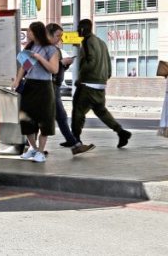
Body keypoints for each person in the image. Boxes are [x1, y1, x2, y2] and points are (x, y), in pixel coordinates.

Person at [72, 18, 131, 149]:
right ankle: (121, 132)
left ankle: (75, 139)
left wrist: (80, 78)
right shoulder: (102, 43)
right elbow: (109, 67)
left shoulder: (87, 41)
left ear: (82, 29)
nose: (77, 31)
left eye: (78, 29)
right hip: (100, 84)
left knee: (78, 110)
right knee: (101, 111)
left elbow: (90, 62)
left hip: (88, 84)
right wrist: (104, 78)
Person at [11, 21, 60, 163]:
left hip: (44, 87)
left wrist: (39, 58)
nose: (27, 34)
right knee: (25, 119)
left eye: (30, 31)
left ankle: (41, 152)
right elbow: (25, 67)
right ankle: (33, 148)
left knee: (45, 120)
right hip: (30, 86)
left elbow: (54, 69)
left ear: (37, 32)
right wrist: (17, 81)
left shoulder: (50, 49)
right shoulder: (31, 47)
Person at [48, 24, 93, 155]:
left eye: (61, 36)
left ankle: (74, 144)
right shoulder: (48, 49)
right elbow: (51, 69)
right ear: (49, 34)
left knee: (59, 117)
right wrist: (62, 63)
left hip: (54, 86)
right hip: (50, 87)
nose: (60, 39)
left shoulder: (53, 49)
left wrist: (64, 64)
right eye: (58, 36)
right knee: (59, 117)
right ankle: (75, 145)